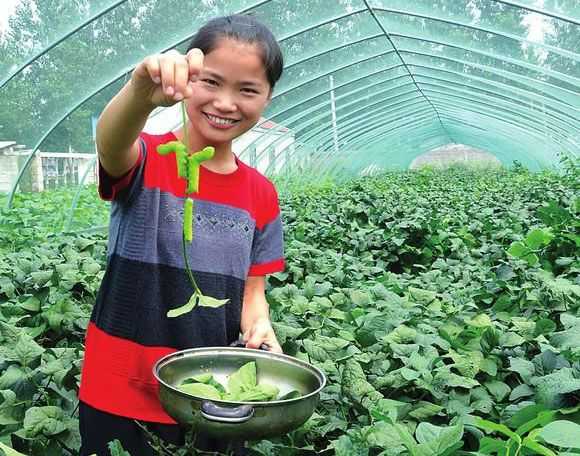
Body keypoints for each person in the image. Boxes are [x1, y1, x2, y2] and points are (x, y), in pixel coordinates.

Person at [78, 14, 285, 455]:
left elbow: (253, 292)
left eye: (247, 89)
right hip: (120, 389)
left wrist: (260, 324)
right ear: (188, 80)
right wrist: (139, 93)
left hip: (215, 392)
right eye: (211, 82)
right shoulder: (148, 159)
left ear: (267, 97)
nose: (226, 103)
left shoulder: (261, 194)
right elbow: (111, 145)